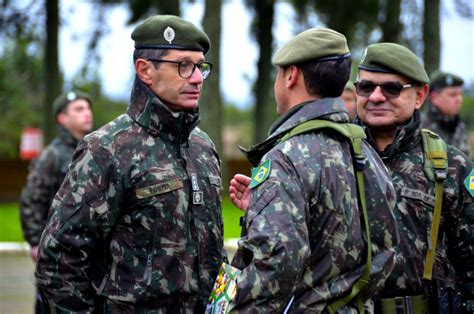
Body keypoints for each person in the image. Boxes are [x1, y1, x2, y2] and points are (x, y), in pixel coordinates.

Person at [35, 15, 227, 312]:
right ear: (145, 70)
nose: (198, 78)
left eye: (201, 66)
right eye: (184, 65)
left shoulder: (202, 147)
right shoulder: (106, 148)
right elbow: (61, 260)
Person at [227, 28, 399, 312]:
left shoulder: (286, 157)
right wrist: (263, 208)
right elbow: (381, 248)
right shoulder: (365, 152)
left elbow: (274, 266)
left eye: (279, 74)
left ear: (291, 76)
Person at [353, 42, 474, 312]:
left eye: (391, 88)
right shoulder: (331, 159)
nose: (375, 97)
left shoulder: (451, 167)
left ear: (419, 96)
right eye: (365, 87)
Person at [20, 90, 93, 262]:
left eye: (88, 108)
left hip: (90, 247)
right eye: (79, 109)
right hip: (58, 250)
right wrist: (35, 242)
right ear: (63, 119)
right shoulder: (51, 156)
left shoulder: (96, 150)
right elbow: (32, 199)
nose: (87, 113)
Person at [421, 71, 471, 157]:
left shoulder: (459, 126)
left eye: (460, 94)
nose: (459, 99)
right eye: (453, 95)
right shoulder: (419, 127)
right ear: (434, 97)